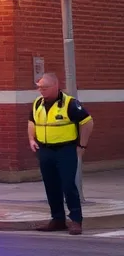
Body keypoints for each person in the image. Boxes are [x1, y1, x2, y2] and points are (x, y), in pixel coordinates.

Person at [29, 72, 94, 235]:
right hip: (45, 150)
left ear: (55, 86)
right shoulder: (37, 103)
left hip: (65, 150)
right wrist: (31, 139)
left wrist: (82, 145)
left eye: (44, 88)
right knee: (51, 185)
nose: (41, 91)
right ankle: (58, 219)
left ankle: (76, 220)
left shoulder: (70, 104)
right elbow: (32, 122)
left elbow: (87, 122)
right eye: (39, 88)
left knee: (68, 185)